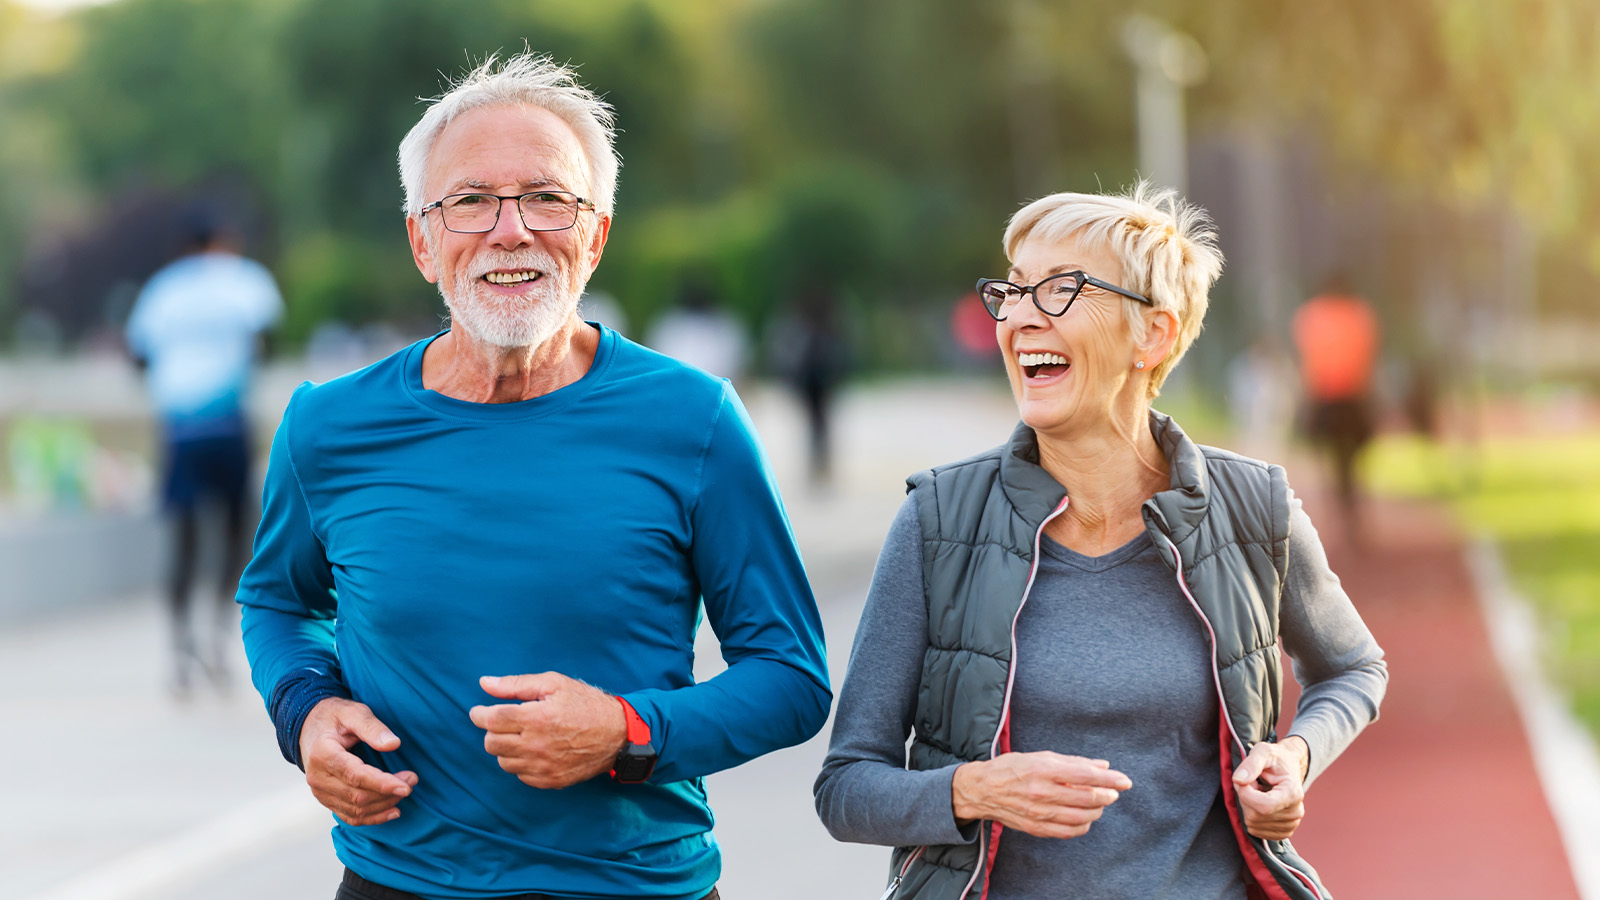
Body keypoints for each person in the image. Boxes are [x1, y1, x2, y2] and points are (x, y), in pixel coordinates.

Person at [237, 53, 831, 900]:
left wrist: (629, 730)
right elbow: (280, 601)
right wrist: (305, 708)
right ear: (423, 241)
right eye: (471, 200)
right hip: (397, 884)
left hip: (636, 887)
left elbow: (792, 678)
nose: (509, 229)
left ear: (595, 235)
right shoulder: (327, 426)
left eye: (547, 197)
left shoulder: (695, 419)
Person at [815, 184, 1387, 900]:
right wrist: (974, 789)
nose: (1020, 318)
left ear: (1155, 335)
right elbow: (846, 786)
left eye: (1059, 290)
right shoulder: (939, 520)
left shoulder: (1253, 508)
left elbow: (1354, 668)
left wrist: (1296, 756)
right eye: (1013, 291)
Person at [125, 214, 282, 696]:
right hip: (228, 422)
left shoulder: (161, 290)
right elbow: (266, 342)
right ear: (221, 240)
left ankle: (179, 648)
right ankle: (218, 636)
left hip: (180, 428)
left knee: (184, 538)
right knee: (236, 533)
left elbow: (138, 356)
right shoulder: (244, 278)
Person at [1291, 276, 1380, 543]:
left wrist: (1304, 403)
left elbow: (1307, 362)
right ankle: (1349, 501)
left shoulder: (1311, 315)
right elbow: (1369, 360)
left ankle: (1340, 500)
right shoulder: (1362, 315)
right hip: (1354, 399)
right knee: (1351, 460)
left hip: (1325, 399)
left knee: (1332, 458)